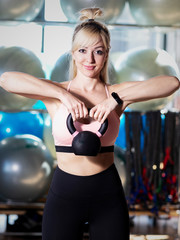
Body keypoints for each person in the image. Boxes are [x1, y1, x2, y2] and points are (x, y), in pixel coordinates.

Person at [0, 7, 179, 240]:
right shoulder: (56, 93)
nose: (90, 59)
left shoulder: (115, 94)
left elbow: (171, 82)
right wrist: (64, 95)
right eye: (83, 50)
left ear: (107, 54)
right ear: (73, 53)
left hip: (107, 195)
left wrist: (113, 100)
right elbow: (6, 80)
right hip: (64, 195)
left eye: (98, 51)